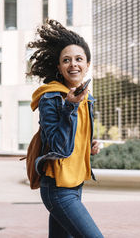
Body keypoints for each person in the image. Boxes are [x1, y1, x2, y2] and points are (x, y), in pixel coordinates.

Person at [27, 19, 103, 238]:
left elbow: (72, 139)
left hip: (75, 185)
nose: (73, 64)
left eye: (79, 59)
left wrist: (87, 146)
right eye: (66, 60)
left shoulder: (86, 98)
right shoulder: (50, 97)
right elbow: (58, 146)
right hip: (58, 189)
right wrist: (69, 106)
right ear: (59, 67)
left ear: (87, 64)